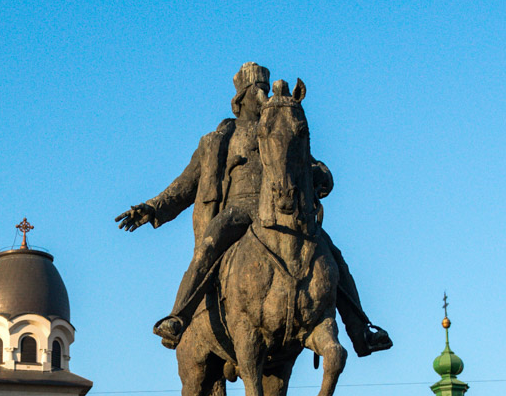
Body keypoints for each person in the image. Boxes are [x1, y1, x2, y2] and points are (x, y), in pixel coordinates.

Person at [117, 63, 391, 355]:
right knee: (209, 245)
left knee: (332, 256)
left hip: (283, 214)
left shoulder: (280, 124)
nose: (263, 94)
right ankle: (178, 317)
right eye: (258, 89)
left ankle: (360, 330)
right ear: (241, 98)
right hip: (239, 210)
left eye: (265, 87)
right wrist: (152, 207)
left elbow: (308, 161)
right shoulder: (222, 138)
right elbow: (185, 184)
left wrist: (320, 174)